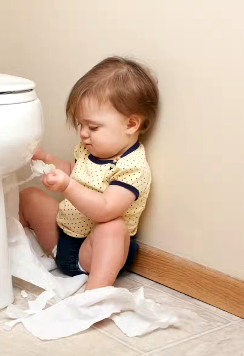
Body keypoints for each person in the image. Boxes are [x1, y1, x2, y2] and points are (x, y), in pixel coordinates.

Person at [19, 56, 159, 290]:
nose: (83, 133)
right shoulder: (89, 149)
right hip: (62, 241)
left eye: (93, 127)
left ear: (131, 125)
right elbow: (77, 173)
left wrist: (67, 187)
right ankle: (16, 254)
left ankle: (95, 294)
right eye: (80, 125)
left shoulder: (132, 169)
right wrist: (48, 161)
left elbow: (105, 209)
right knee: (30, 197)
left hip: (92, 254)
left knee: (113, 228)